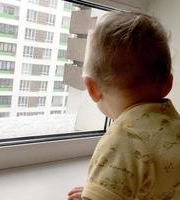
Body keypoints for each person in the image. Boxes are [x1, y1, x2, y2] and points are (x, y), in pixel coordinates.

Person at [67, 11, 180, 200]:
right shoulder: (174, 126)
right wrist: (102, 188)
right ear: (168, 84)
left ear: (93, 88)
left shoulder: (122, 139)